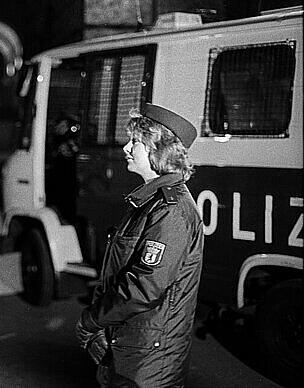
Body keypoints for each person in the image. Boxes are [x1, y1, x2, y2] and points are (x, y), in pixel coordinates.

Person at [75, 103, 204, 387]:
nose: (126, 148)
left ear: (159, 150)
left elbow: (143, 289)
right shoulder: (151, 201)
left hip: (147, 365)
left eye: (136, 142)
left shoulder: (171, 212)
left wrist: (90, 321)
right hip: (132, 351)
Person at [45, 112, 81, 223]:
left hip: (68, 180)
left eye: (65, 126)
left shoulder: (73, 141)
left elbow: (76, 153)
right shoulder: (52, 141)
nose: (62, 129)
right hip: (56, 179)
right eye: (61, 126)